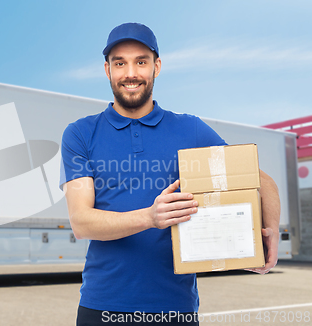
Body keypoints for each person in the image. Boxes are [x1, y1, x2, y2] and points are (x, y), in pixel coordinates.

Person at [59, 23, 280, 326]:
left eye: (141, 61)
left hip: (174, 309)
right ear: (107, 70)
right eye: (119, 63)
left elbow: (263, 183)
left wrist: (269, 237)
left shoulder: (190, 130)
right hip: (102, 307)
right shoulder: (81, 134)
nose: (130, 73)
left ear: (156, 67)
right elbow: (81, 221)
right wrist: (149, 217)